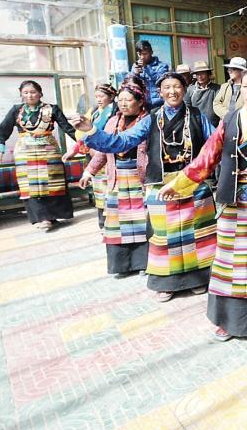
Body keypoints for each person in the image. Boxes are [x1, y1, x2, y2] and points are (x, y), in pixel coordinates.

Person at [157, 67, 247, 342]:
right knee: (230, 265)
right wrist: (177, 184)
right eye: (245, 86)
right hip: (234, 207)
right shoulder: (230, 120)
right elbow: (206, 158)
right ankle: (228, 320)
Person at [72, 72, 217, 302]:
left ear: (185, 89)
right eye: (167, 87)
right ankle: (166, 283)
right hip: (161, 185)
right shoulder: (151, 118)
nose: (172, 91)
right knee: (164, 236)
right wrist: (91, 131)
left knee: (196, 234)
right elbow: (121, 141)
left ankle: (198, 279)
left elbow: (215, 145)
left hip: (193, 184)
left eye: (177, 86)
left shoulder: (198, 116)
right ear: (160, 92)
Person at [79, 81, 149, 278]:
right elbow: (103, 150)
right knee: (119, 224)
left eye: (129, 100)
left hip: (139, 178)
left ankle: (144, 262)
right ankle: (123, 265)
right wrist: (89, 171)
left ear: (140, 101)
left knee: (141, 221)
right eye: (120, 100)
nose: (123, 104)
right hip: (117, 178)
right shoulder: (111, 122)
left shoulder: (148, 122)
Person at [0, 80, 77, 231]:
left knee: (52, 182)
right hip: (25, 153)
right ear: (21, 94)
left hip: (48, 151)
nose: (30, 95)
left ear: (40, 93)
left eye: (33, 92)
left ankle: (53, 216)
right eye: (26, 93)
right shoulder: (16, 110)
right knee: (31, 185)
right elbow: (2, 130)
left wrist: (86, 143)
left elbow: (67, 128)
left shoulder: (52, 109)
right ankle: (42, 218)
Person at [63, 83, 118, 229]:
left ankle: (112, 223)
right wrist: (74, 150)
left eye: (102, 96)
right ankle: (103, 224)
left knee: (110, 191)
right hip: (93, 156)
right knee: (99, 192)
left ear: (111, 96)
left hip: (108, 154)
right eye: (97, 96)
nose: (99, 99)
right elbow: (85, 134)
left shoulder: (115, 112)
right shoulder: (94, 112)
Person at [132, 40, 170, 108]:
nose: (142, 57)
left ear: (151, 52)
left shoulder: (162, 66)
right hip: (143, 104)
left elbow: (159, 80)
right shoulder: (136, 65)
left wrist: (146, 67)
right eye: (140, 54)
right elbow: (131, 83)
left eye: (145, 54)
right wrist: (135, 74)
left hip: (159, 103)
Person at [186, 60, 220, 126]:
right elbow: (187, 107)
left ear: (208, 74)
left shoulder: (217, 89)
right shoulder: (191, 89)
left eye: (202, 73)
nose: (200, 76)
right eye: (197, 74)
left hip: (213, 125)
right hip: (196, 124)